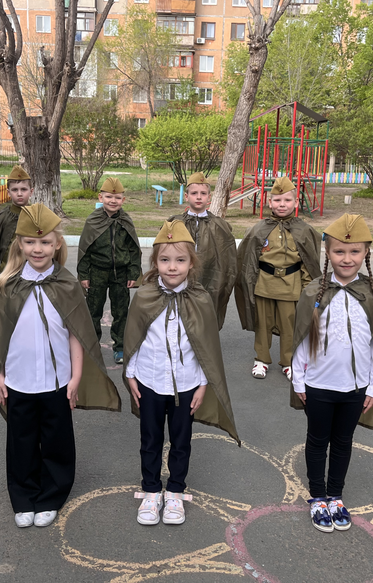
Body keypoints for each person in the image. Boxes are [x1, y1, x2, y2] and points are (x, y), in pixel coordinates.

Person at [0, 203, 122, 529]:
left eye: (45, 242)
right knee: (21, 441)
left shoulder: (67, 284)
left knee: (56, 439)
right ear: (20, 243)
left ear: (57, 244)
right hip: (19, 378)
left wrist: (75, 377)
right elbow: (1, 334)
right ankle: (23, 497)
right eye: (30, 242)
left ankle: (51, 495)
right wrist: (0, 374)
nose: (38, 249)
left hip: (56, 380)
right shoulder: (8, 285)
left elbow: (77, 334)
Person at [123, 220, 239, 526]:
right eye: (164, 260)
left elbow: (205, 346)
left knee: (181, 440)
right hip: (148, 381)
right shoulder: (144, 296)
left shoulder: (200, 299)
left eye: (180, 260)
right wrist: (131, 375)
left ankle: (175, 490)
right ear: (155, 262)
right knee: (149, 439)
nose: (172, 267)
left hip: (186, 386)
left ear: (191, 263)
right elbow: (134, 338)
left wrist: (202, 384)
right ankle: (151, 491)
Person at [290, 214, 373, 533]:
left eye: (354, 251)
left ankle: (335, 496)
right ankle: (317, 497)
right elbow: (301, 339)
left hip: (356, 388)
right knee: (317, 440)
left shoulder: (372, 293)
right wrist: (298, 380)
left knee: (343, 441)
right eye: (339, 251)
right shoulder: (314, 292)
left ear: (366, 253)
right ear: (328, 253)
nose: (347, 258)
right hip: (318, 385)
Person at [234, 177, 322, 381]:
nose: (282, 204)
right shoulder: (259, 229)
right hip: (264, 284)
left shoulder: (304, 230)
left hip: (291, 286)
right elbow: (248, 260)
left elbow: (309, 262)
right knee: (262, 324)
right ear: (269, 202)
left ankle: (288, 361)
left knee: (289, 325)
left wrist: (307, 288)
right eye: (277, 200)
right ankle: (261, 359)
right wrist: (249, 284)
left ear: (296, 202)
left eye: (287, 200)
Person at [77, 177, 142, 365]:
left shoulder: (125, 221)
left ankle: (120, 347)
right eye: (108, 197)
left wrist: (133, 273)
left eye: (117, 197)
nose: (113, 201)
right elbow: (85, 249)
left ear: (123, 200)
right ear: (101, 197)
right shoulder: (93, 220)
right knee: (93, 311)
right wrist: (84, 275)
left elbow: (133, 249)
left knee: (121, 312)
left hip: (120, 274)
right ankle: (91, 346)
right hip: (97, 273)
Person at [167, 172, 237, 330]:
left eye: (203, 193)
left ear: (209, 197)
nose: (198, 197)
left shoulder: (219, 225)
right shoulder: (175, 223)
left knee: (205, 318)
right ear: (186, 196)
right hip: (181, 279)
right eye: (194, 193)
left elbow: (228, 259)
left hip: (210, 279)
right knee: (180, 316)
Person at [0, 165, 34, 272]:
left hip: (33, 271)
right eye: (15, 190)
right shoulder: (2, 217)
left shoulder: (37, 216)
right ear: (8, 192)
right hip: (8, 270)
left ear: (31, 191)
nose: (19, 193)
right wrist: (4, 257)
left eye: (24, 189)